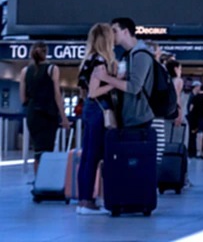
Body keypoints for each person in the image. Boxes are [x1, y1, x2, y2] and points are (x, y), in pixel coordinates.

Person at [76, 23, 117, 215]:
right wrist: (115, 83)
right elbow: (94, 91)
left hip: (88, 110)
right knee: (93, 156)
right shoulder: (100, 61)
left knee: (87, 156)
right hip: (99, 111)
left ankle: (83, 198)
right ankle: (87, 201)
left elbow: (85, 92)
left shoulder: (86, 61)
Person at [19, 41, 71, 175]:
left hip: (32, 114)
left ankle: (38, 182)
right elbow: (57, 95)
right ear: (46, 52)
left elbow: (23, 98)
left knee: (37, 150)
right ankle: (45, 181)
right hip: (48, 114)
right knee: (47, 149)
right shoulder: (52, 69)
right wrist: (64, 118)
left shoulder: (25, 71)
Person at [93, 18, 154, 130]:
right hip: (129, 118)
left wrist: (105, 78)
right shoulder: (127, 55)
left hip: (138, 120)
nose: (112, 35)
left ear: (125, 32)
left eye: (115, 31)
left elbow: (134, 87)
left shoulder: (141, 55)